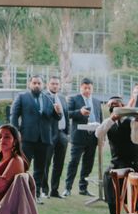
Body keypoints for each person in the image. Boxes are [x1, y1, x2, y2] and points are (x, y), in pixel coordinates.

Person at [10, 75, 60, 203]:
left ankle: (35, 195)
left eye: (39, 83)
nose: (36, 85)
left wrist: (58, 112)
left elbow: (55, 118)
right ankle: (19, 194)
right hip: (27, 138)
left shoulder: (48, 98)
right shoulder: (22, 97)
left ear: (43, 85)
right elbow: (14, 115)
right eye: (34, 83)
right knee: (23, 167)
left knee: (40, 168)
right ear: (29, 84)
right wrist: (15, 133)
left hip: (44, 139)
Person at [94, 96, 138, 214]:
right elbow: (98, 133)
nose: (113, 106)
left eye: (116, 104)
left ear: (123, 106)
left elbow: (135, 140)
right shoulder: (109, 123)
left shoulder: (131, 122)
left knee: (134, 195)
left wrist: (136, 124)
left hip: (133, 163)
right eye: (110, 105)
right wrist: (112, 119)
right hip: (116, 163)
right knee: (109, 184)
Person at [63, 77, 102, 197]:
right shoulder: (74, 99)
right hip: (79, 137)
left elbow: (100, 118)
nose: (87, 90)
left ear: (92, 88)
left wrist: (102, 135)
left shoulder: (96, 101)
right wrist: (79, 112)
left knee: (88, 164)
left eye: (89, 88)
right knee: (74, 162)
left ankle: (83, 188)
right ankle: (67, 188)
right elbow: (67, 114)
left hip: (93, 137)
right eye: (85, 87)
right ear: (80, 87)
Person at [42, 76, 69, 198]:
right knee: (45, 163)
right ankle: (44, 190)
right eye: (52, 83)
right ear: (48, 84)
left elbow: (67, 115)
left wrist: (67, 133)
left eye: (57, 84)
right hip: (49, 134)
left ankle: (54, 190)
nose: (55, 86)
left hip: (62, 135)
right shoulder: (44, 97)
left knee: (59, 164)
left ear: (59, 85)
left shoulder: (63, 98)